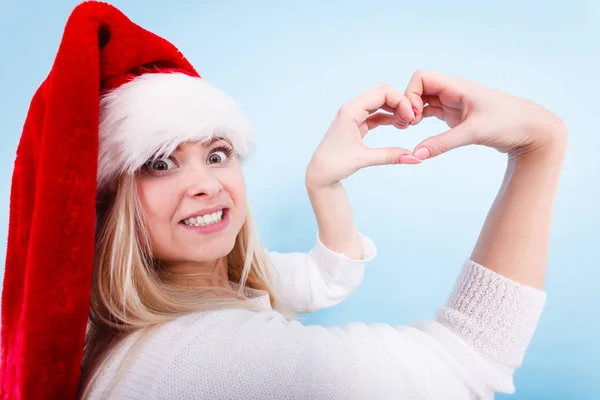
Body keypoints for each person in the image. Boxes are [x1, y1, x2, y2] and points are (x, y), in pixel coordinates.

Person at [0, 2, 567, 400]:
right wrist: (539, 144)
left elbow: (325, 281)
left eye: (217, 153)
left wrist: (323, 184)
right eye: (160, 163)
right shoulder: (211, 363)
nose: (207, 183)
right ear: (107, 203)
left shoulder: (181, 298)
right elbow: (469, 366)